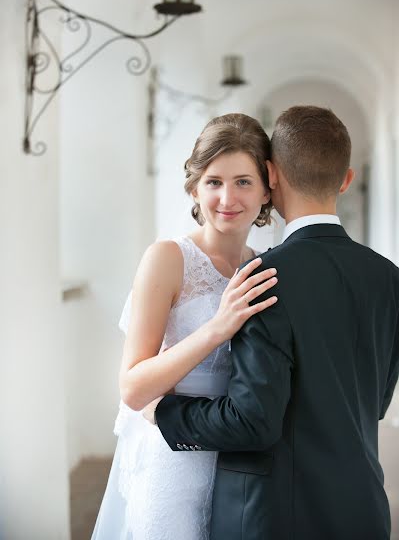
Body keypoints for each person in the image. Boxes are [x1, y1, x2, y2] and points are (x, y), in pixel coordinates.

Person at [150, 106, 399, 540]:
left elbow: (253, 423)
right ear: (346, 180)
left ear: (272, 176)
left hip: (270, 517)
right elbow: (374, 401)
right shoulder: (388, 277)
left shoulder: (261, 277)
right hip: (363, 507)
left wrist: (166, 413)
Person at [91, 113, 279, 540]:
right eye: (213, 181)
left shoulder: (263, 265)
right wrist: (218, 327)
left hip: (239, 462)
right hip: (172, 463)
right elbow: (134, 388)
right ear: (195, 186)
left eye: (243, 181)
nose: (227, 197)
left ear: (267, 188)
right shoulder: (168, 258)